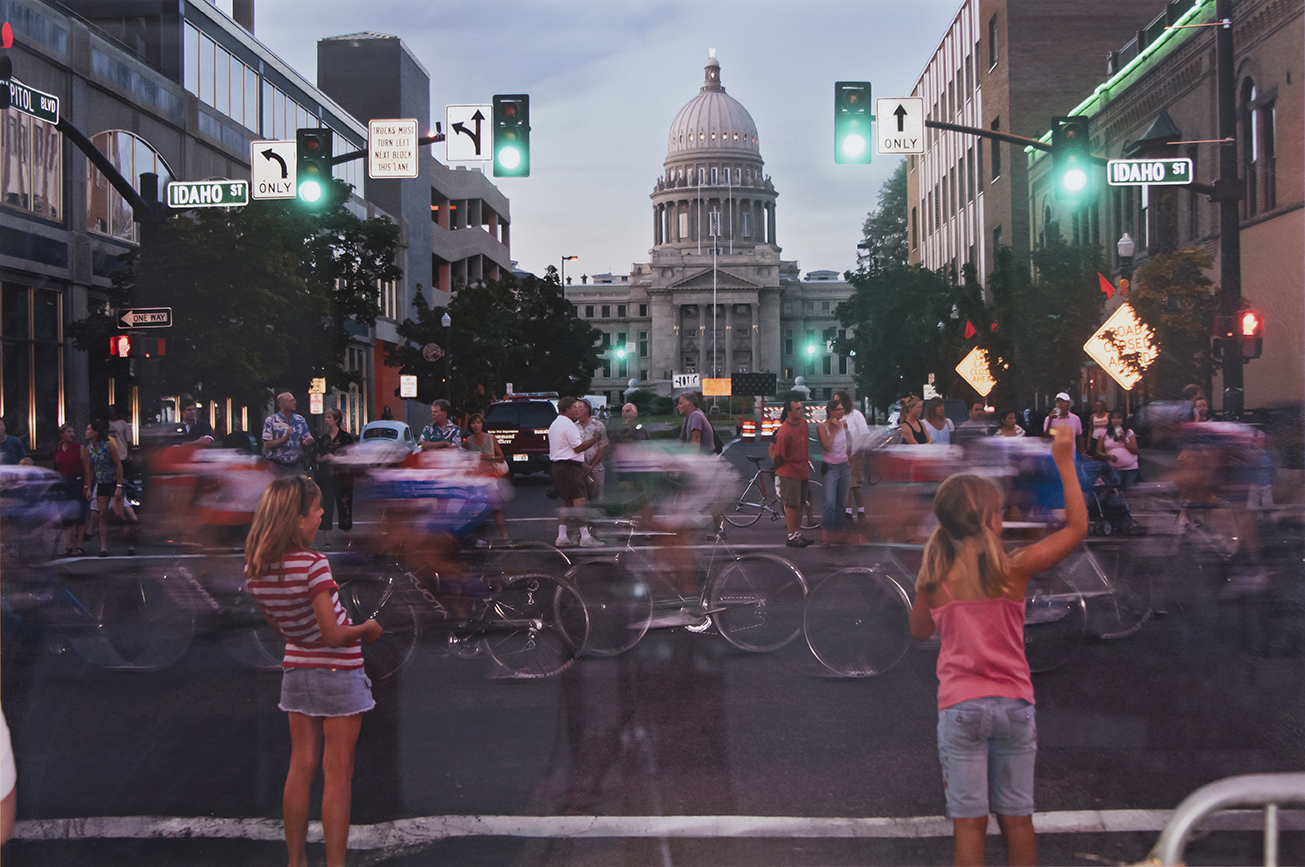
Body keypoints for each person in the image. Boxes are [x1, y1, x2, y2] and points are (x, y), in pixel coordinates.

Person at [910, 427, 1086, 867]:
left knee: (970, 825)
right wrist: (1064, 461)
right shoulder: (1015, 569)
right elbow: (1078, 527)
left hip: (961, 708)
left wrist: (928, 589)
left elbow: (917, 631)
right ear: (992, 520)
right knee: (1018, 819)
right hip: (1014, 705)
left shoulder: (935, 577)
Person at [244, 475, 383, 867]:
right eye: (317, 510)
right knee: (337, 772)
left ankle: (296, 860)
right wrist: (367, 629)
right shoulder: (313, 564)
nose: (323, 514)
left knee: (300, 767)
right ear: (298, 520)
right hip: (338, 670)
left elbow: (281, 626)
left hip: (297, 670)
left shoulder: (257, 567)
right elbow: (333, 634)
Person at [548, 397, 603, 548]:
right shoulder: (568, 424)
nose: (577, 410)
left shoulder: (555, 424)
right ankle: (585, 537)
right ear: (567, 410)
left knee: (566, 501)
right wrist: (594, 440)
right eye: (574, 407)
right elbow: (577, 448)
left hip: (558, 466)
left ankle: (562, 535)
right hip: (569, 468)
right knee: (579, 502)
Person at [86, 419, 133, 556]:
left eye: (89, 429)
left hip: (113, 481)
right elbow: (90, 468)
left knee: (119, 514)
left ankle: (130, 543)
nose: (87, 432)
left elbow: (119, 464)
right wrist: (89, 487)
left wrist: (119, 486)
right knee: (103, 515)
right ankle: (103, 547)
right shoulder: (89, 447)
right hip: (102, 483)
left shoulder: (108, 446)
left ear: (96, 432)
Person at [463, 412, 510, 541]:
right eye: (473, 423)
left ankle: (504, 536)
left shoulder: (491, 438)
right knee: (478, 510)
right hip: (476, 479)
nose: (476, 425)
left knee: (495, 507)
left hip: (490, 477)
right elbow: (463, 459)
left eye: (478, 422)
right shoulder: (468, 442)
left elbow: (501, 457)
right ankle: (481, 538)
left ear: (482, 424)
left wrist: (489, 457)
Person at [771, 398, 812, 548]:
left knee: (801, 503)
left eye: (801, 408)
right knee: (791, 504)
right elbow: (778, 456)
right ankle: (791, 535)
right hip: (789, 472)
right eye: (797, 409)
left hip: (802, 470)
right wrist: (780, 470)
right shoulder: (784, 432)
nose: (801, 411)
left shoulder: (803, 424)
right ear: (789, 412)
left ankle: (797, 533)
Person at [316, 408, 356, 550]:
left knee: (345, 506)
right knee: (326, 506)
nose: (326, 420)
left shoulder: (346, 438)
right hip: (326, 477)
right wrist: (323, 458)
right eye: (326, 417)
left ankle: (347, 539)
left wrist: (336, 458)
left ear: (336, 420)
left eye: (329, 417)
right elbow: (318, 458)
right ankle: (327, 540)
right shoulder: (323, 439)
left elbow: (351, 457)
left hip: (343, 477)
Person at [817, 398, 851, 548]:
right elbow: (827, 446)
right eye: (839, 409)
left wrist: (849, 457)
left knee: (841, 503)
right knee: (830, 502)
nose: (842, 412)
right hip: (831, 467)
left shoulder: (844, 424)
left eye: (842, 409)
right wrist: (835, 430)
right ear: (831, 411)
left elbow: (848, 442)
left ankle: (838, 532)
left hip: (844, 466)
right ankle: (826, 535)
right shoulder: (822, 427)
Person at [53, 423, 90, 556]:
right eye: (68, 432)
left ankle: (79, 546)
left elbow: (87, 467)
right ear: (62, 434)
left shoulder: (79, 448)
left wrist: (87, 486)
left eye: (72, 432)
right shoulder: (57, 449)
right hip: (63, 483)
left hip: (77, 481)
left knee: (79, 515)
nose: (71, 434)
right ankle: (68, 545)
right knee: (66, 514)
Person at [835, 391, 869, 521]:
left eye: (838, 401)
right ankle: (848, 511)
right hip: (841, 455)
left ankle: (861, 511)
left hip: (855, 454)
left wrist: (859, 452)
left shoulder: (856, 415)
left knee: (855, 485)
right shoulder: (837, 418)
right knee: (846, 485)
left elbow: (864, 434)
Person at [263, 393, 314, 473]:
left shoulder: (300, 420)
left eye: (294, 400)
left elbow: (305, 438)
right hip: (277, 466)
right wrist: (284, 439)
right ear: (282, 404)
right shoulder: (271, 421)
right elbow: (266, 444)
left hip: (296, 465)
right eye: (291, 401)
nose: (295, 402)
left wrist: (306, 442)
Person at [1094, 409, 1139, 489]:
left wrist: (1124, 440)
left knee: (1128, 493)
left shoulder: (1129, 432)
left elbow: (1135, 451)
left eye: (1119, 418)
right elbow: (1098, 451)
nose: (1116, 420)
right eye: (1113, 418)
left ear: (1123, 420)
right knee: (1115, 492)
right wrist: (1109, 456)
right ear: (1110, 419)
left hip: (1130, 468)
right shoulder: (1104, 432)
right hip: (1114, 469)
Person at [576, 398, 609, 503]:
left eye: (579, 407)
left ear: (587, 409)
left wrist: (591, 466)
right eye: (575, 407)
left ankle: (597, 517)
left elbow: (602, 447)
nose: (576, 410)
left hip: (596, 469)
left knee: (597, 498)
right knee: (579, 497)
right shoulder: (573, 427)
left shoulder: (598, 426)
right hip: (578, 469)